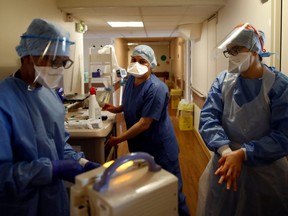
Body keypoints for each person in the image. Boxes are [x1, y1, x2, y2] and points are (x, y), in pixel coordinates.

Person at [0, 18, 100, 216]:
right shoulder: (4, 102)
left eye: (63, 63)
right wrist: (49, 170)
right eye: (53, 61)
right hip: (20, 206)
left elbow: (58, 143)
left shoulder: (50, 94)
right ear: (28, 56)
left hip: (55, 201)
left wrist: (82, 163)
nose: (58, 69)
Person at [196, 23, 288, 216]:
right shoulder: (223, 80)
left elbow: (283, 135)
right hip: (225, 165)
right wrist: (226, 151)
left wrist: (244, 154)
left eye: (237, 50)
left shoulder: (279, 86)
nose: (232, 55)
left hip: (264, 173)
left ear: (256, 51)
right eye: (229, 51)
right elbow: (208, 118)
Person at [102, 45, 190, 216]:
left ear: (151, 65)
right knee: (148, 192)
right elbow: (130, 102)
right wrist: (117, 109)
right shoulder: (129, 81)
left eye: (142, 61)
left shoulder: (157, 88)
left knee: (173, 194)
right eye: (133, 60)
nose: (136, 64)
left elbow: (144, 123)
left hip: (161, 149)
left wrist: (118, 140)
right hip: (141, 147)